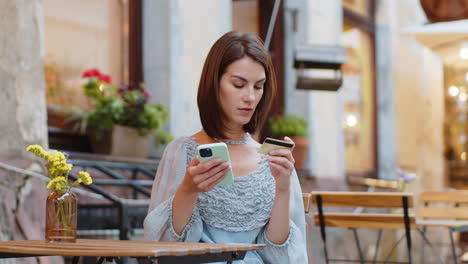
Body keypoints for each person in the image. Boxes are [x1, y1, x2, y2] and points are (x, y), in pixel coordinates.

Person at [143, 31, 308, 264]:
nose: (250, 97)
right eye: (239, 85)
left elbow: (279, 255)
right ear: (214, 83)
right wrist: (188, 190)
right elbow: (165, 247)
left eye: (258, 86)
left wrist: (283, 190)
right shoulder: (182, 151)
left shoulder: (272, 159)